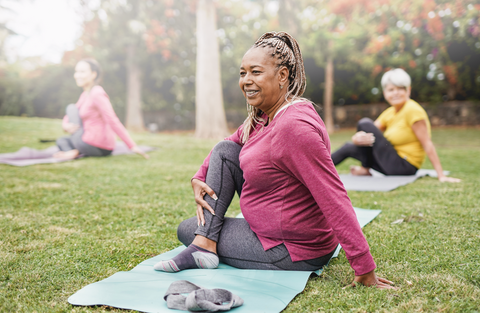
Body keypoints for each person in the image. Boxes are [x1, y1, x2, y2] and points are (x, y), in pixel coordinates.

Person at [154, 32, 394, 289]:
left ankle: (203, 244)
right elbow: (228, 144)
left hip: (292, 249)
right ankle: (205, 244)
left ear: (282, 76)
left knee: (187, 229)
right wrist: (199, 176)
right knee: (225, 151)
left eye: (255, 72)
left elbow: (333, 195)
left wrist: (364, 267)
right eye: (242, 73)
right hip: (272, 233)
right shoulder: (264, 116)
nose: (246, 80)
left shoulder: (293, 127)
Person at [331, 68, 460, 182]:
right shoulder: (390, 112)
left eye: (400, 89)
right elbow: (369, 132)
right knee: (349, 146)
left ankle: (365, 169)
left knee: (364, 122)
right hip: (389, 162)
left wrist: (441, 175)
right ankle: (316, 172)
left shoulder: (412, 110)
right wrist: (356, 138)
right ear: (385, 93)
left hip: (404, 166)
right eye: (391, 90)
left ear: (408, 90)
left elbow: (427, 143)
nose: (395, 93)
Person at [54, 58, 148, 160]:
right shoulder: (85, 95)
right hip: (86, 141)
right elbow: (70, 115)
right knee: (61, 140)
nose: (77, 75)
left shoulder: (97, 93)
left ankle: (75, 151)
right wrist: (65, 125)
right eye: (76, 72)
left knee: (71, 107)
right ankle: (75, 151)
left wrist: (132, 146)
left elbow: (112, 120)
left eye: (82, 72)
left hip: (98, 145)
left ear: (93, 74)